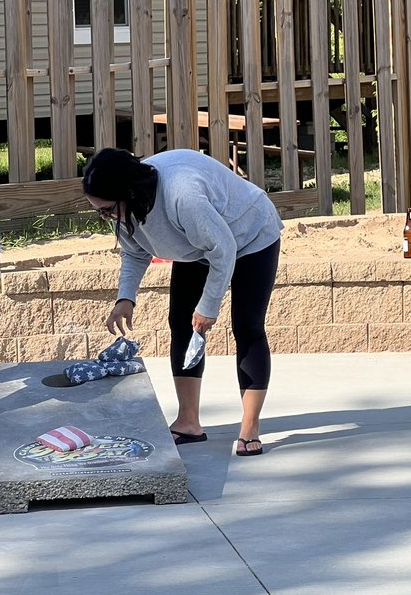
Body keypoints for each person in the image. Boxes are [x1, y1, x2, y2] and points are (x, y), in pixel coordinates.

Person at [83, 148, 283, 456]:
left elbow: (223, 250)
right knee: (181, 323)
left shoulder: (182, 195)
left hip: (250, 235)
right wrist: (125, 298)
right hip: (198, 244)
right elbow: (135, 251)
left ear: (129, 192)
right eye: (100, 211)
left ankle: (250, 427)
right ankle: (188, 421)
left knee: (247, 325)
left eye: (108, 209)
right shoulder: (122, 204)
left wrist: (208, 306)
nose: (106, 216)